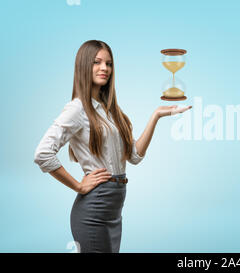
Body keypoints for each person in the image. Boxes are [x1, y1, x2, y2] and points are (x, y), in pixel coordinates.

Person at [33, 40, 192, 253]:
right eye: (97, 62)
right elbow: (43, 153)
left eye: (108, 64)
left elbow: (134, 156)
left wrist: (156, 115)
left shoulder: (110, 112)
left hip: (114, 208)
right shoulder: (77, 108)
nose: (104, 68)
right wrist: (78, 186)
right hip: (95, 209)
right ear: (83, 66)